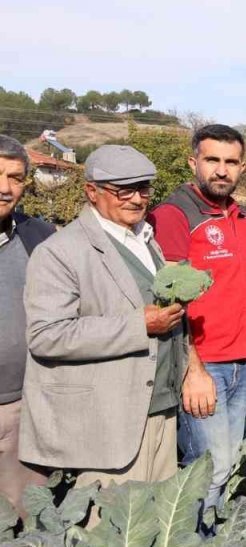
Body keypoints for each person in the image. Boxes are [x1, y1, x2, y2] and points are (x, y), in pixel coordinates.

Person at [21, 145, 186, 488]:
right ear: (91, 191)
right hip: (110, 422)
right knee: (112, 520)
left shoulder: (146, 240)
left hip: (161, 409)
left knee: (156, 517)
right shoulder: (60, 252)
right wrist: (139, 325)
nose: (137, 199)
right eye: (123, 190)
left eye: (143, 188)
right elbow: (47, 335)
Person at [149, 124, 246, 510]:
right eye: (212, 160)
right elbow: (169, 299)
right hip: (204, 366)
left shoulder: (241, 217)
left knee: (226, 466)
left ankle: (211, 540)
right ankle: (186, 546)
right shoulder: (174, 215)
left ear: (242, 167)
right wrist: (192, 369)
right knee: (207, 471)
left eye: (231, 162)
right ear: (192, 162)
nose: (222, 170)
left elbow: (240, 288)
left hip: (239, 362)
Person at [0, 135, 54, 512]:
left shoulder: (39, 237)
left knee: (21, 517)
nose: (5, 188)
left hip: (21, 407)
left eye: (15, 178)